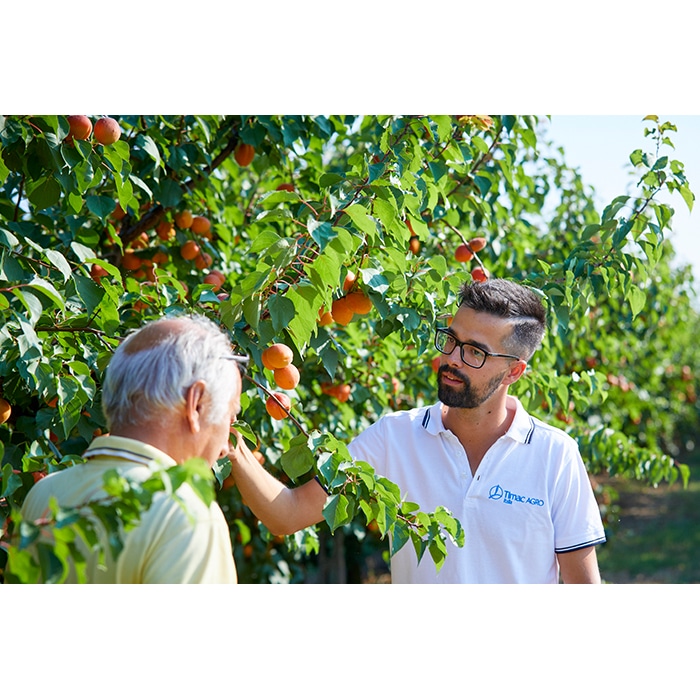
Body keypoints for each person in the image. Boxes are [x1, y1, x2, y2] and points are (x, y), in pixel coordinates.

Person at [228, 278, 607, 583]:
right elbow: (288, 514)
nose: (451, 359)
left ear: (514, 371)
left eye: (475, 352)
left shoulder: (554, 455)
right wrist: (229, 439)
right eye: (451, 340)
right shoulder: (395, 437)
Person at [21, 314, 244, 583]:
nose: (224, 450)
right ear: (196, 404)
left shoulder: (44, 493)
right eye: (229, 417)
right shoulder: (187, 515)